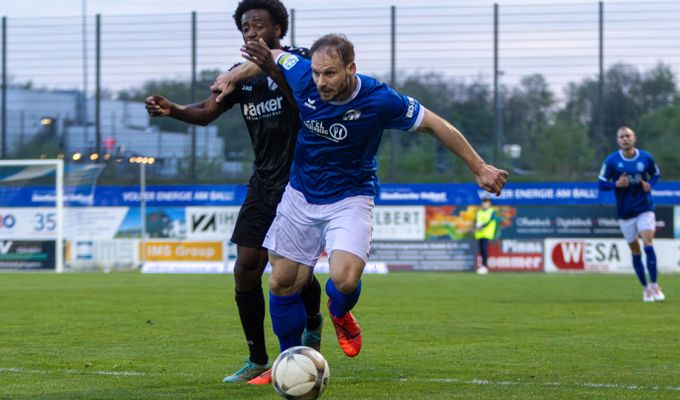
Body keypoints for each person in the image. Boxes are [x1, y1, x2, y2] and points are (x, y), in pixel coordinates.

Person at [211, 33, 507, 380]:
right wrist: (233, 75)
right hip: (301, 193)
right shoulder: (302, 72)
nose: (321, 82)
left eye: (331, 74)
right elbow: (275, 56)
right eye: (318, 73)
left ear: (351, 68)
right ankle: (289, 363)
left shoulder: (379, 99)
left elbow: (434, 124)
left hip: (350, 196)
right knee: (282, 281)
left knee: (345, 279)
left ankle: (339, 311)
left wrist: (480, 167)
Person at [144, 0, 323, 384]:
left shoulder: (302, 62)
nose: (252, 32)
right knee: (245, 269)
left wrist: (271, 66)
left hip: (300, 180)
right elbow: (208, 110)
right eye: (245, 28)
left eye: (259, 25)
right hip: (262, 182)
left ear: (279, 28)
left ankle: (312, 322)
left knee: (291, 272)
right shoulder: (238, 77)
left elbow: (306, 106)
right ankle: (257, 358)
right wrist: (172, 109)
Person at [598, 126, 665, 303]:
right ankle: (645, 289)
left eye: (628, 136)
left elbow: (656, 174)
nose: (625, 139)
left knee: (648, 243)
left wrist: (650, 184)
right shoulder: (611, 161)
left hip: (645, 207)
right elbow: (601, 184)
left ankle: (654, 285)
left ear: (634, 138)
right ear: (617, 140)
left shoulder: (645, 157)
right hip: (625, 212)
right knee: (635, 250)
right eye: (621, 137)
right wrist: (616, 185)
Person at [474, 197, 497, 275]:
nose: (485, 204)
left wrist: (482, 226)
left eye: (486, 203)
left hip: (487, 234)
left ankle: (484, 266)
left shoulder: (491, 212)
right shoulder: (479, 212)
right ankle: (482, 266)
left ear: (489, 204)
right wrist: (477, 225)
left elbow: (489, 221)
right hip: (479, 234)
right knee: (481, 250)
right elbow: (477, 221)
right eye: (484, 202)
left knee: (484, 249)